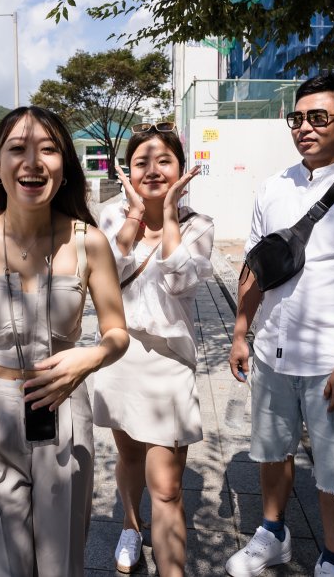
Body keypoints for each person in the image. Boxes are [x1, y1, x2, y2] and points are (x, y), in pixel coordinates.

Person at [0, 105, 129, 576]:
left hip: (63, 406)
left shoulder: (90, 241)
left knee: (62, 557)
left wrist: (92, 357)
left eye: (48, 149)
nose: (33, 162)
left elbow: (117, 333)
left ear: (64, 167)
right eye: (17, 150)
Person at [225, 74, 334, 577]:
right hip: (273, 353)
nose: (304, 127)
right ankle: (273, 534)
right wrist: (242, 331)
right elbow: (255, 269)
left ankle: (331, 560)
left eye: (318, 117)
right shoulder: (274, 187)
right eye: (297, 118)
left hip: (333, 362)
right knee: (270, 452)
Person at [93, 122, 214, 575]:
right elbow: (104, 270)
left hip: (168, 362)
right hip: (118, 355)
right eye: (142, 161)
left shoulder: (198, 225)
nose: (153, 169)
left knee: (167, 485)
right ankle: (130, 525)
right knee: (127, 455)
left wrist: (166, 218)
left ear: (181, 169)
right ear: (128, 170)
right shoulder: (107, 216)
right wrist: (131, 216)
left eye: (164, 160)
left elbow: (179, 279)